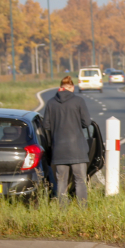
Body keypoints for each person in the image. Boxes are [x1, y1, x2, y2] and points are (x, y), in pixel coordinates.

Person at [43, 75, 92, 206]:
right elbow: (86, 122)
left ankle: (62, 209)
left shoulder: (51, 103)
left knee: (61, 181)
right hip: (77, 149)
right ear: (72, 87)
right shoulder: (79, 101)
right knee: (80, 180)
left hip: (59, 149)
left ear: (60, 88)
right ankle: (83, 208)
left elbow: (46, 125)